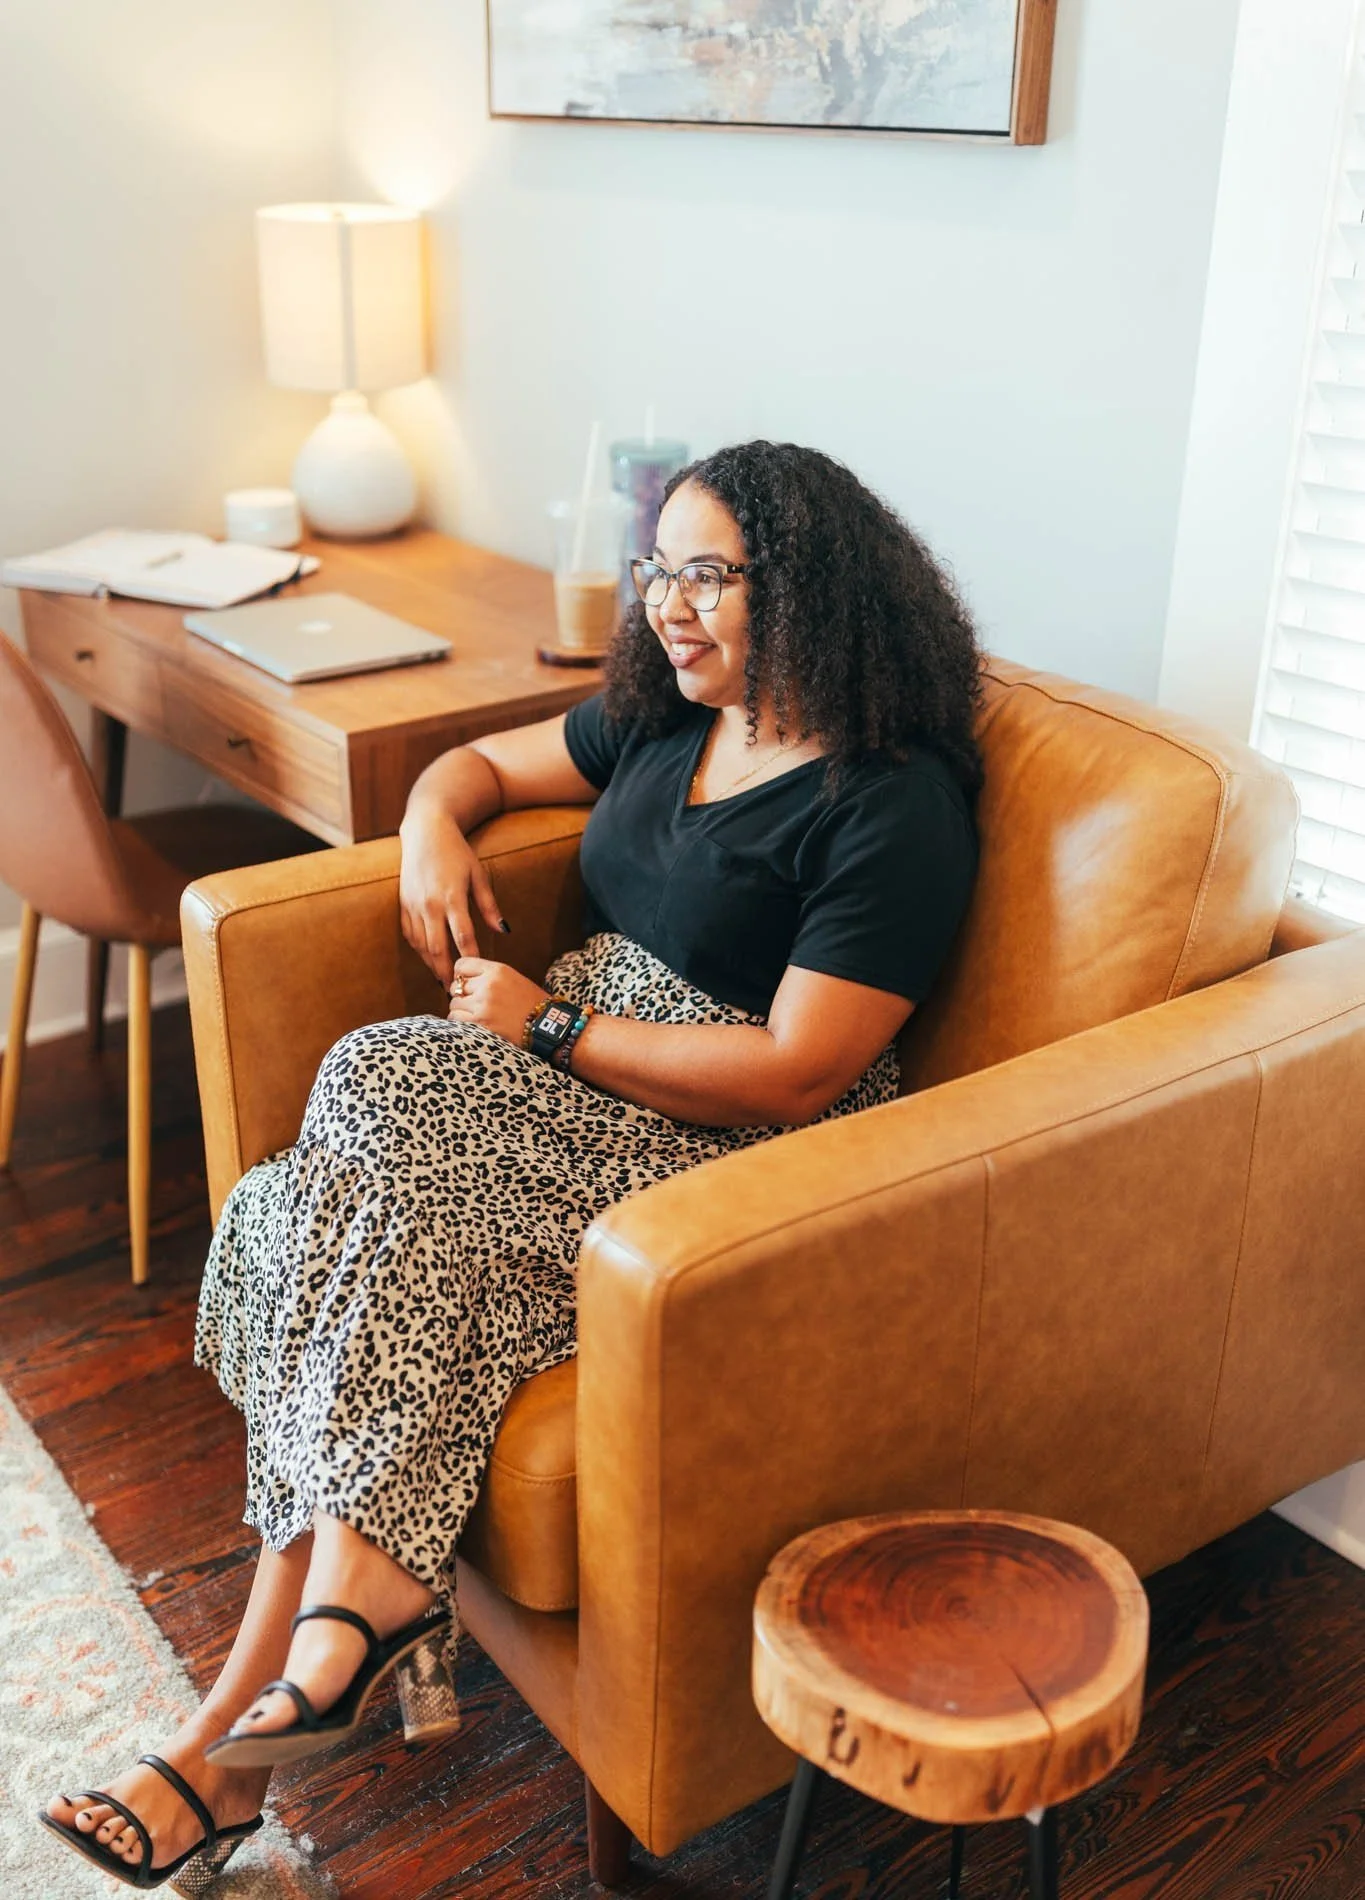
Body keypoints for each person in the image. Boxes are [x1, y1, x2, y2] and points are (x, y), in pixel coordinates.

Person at [40, 440, 984, 1889]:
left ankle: (265, 1709)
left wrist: (548, 1022)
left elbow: (799, 1070)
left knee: (365, 1093)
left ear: (807, 589)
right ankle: (283, 1705)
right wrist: (427, 824)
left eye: (710, 574)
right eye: (660, 565)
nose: (668, 603)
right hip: (568, 1079)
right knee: (318, 1210)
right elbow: (478, 767)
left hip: (719, 1134)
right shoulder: (670, 715)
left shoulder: (890, 799)